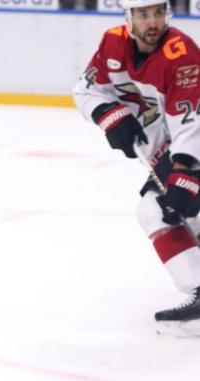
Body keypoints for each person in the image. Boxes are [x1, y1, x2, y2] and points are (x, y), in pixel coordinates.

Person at [73, 0, 200, 327]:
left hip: (190, 146)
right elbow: (86, 92)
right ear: (129, 18)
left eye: (158, 12)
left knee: (191, 209)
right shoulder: (112, 43)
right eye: (144, 15)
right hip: (170, 150)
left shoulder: (180, 53)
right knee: (155, 210)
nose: (153, 21)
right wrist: (111, 117)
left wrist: (186, 174)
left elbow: (190, 123)